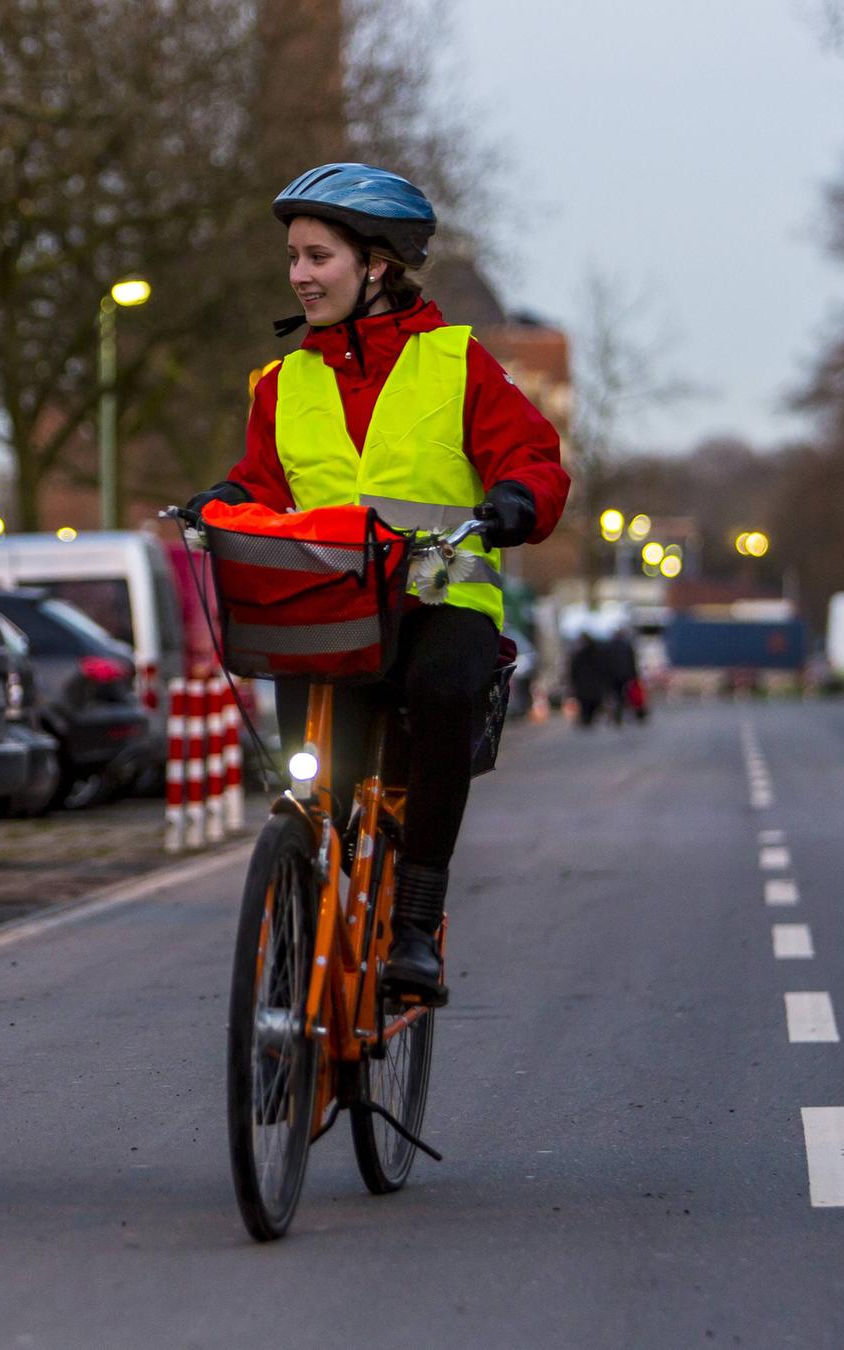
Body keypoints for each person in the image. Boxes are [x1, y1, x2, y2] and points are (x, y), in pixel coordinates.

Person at [185, 162, 568, 1005]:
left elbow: (533, 459)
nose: (299, 275)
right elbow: (262, 482)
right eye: (293, 257)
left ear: (379, 265)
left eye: (318, 256)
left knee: (441, 700)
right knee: (314, 784)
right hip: (326, 615)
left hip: (439, 603)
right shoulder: (282, 383)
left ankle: (418, 925)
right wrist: (225, 499)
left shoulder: (457, 364)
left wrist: (514, 499)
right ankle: (303, 931)